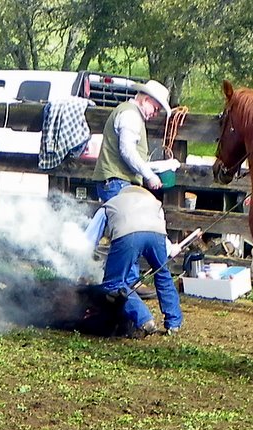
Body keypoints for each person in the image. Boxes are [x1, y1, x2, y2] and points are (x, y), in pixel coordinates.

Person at [93, 184, 182, 337]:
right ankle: (174, 324)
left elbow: (90, 238)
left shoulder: (110, 205)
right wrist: (171, 249)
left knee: (113, 283)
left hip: (128, 236)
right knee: (163, 276)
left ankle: (144, 319)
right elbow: (160, 231)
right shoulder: (155, 204)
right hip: (157, 237)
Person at [92, 80, 172, 203]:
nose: (155, 114)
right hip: (117, 182)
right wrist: (150, 176)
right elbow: (127, 151)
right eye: (155, 109)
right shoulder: (131, 115)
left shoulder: (129, 112)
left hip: (116, 182)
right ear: (145, 100)